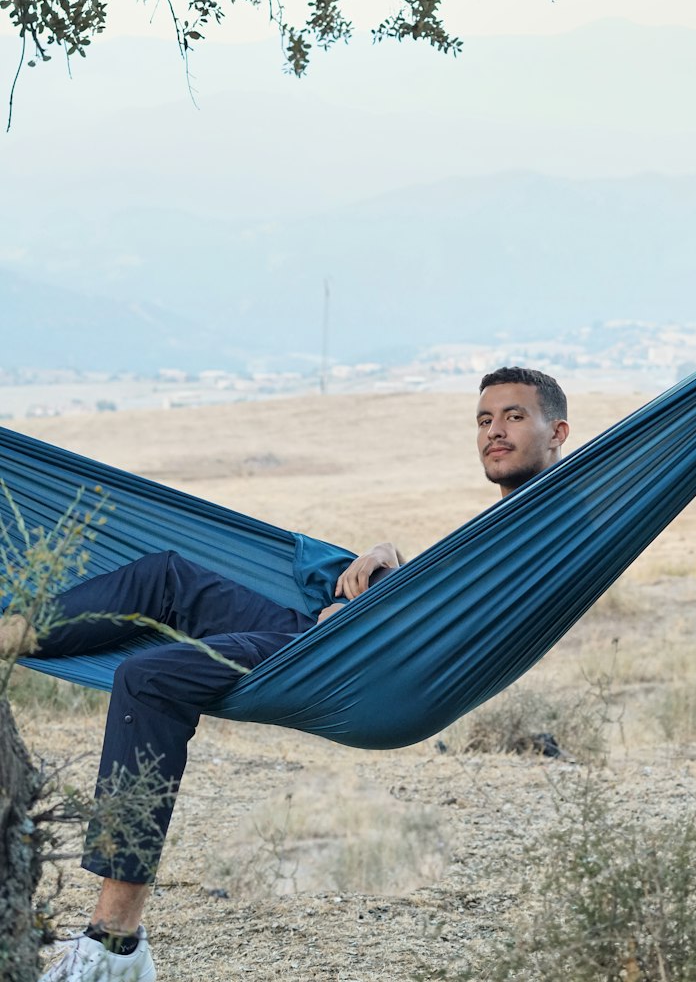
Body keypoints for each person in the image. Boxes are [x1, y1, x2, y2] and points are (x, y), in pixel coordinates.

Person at [0, 367, 569, 982]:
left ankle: (114, 945)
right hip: (341, 634)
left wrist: (367, 617)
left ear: (557, 431)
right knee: (165, 575)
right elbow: (445, 591)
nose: (494, 431)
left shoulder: (554, 523)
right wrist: (388, 558)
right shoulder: (513, 519)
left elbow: (454, 619)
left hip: (358, 662)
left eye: (514, 416)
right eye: (484, 420)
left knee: (147, 677)